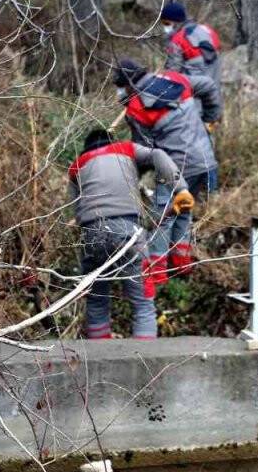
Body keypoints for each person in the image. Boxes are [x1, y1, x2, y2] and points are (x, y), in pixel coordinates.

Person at [68, 128, 193, 339]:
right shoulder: (125, 148)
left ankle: (100, 365)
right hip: (129, 233)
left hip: (90, 235)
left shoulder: (77, 166)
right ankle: (145, 362)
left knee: (97, 301)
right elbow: (158, 155)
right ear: (110, 141)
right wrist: (180, 189)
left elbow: (75, 207)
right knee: (143, 303)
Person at [111, 57, 221, 287]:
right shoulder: (175, 78)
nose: (120, 91)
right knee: (185, 207)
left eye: (120, 86)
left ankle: (156, 274)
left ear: (128, 84)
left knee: (163, 218)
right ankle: (182, 264)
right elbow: (210, 86)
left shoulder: (135, 108)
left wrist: (133, 176)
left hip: (175, 167)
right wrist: (210, 118)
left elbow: (147, 150)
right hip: (206, 161)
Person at [159, 1, 222, 86]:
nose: (165, 27)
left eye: (166, 23)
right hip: (214, 85)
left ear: (175, 22)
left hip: (194, 89)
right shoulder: (208, 30)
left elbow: (172, 72)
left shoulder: (178, 39)